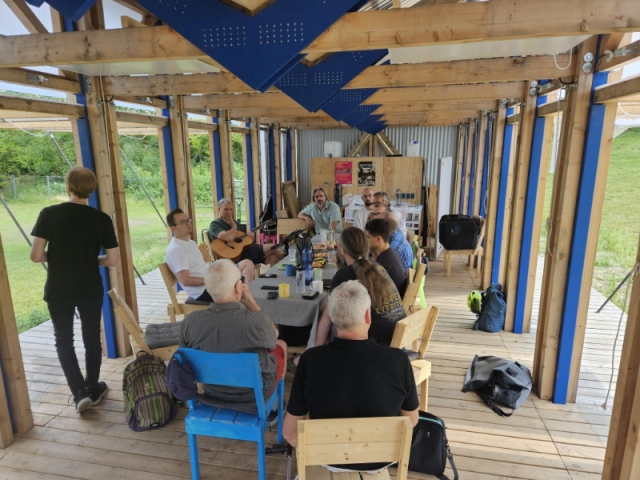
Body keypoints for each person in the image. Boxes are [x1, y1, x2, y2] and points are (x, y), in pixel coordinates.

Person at [283, 281, 419, 474]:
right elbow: (411, 421)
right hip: (380, 459)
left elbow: (290, 434)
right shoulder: (398, 360)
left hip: (328, 459)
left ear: (332, 317)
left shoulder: (310, 361)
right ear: (368, 315)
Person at [30, 167, 120, 413]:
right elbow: (112, 260)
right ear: (91, 189)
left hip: (59, 288)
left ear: (68, 186)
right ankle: (93, 387)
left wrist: (58, 257)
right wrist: (89, 259)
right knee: (92, 338)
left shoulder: (49, 213)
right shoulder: (101, 219)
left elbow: (36, 255)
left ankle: (79, 393)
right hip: (89, 287)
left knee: (63, 340)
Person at [180, 259, 287, 425]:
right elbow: (274, 337)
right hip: (254, 394)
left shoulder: (190, 322)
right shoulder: (255, 321)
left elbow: (184, 357)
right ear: (238, 287)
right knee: (281, 346)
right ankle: (273, 407)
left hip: (212, 390)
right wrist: (251, 302)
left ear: (208, 288)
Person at [315, 227, 406, 347]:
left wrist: (316, 349)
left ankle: (318, 352)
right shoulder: (379, 267)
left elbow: (329, 314)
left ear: (342, 251)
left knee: (331, 316)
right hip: (397, 335)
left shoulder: (343, 276)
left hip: (374, 343)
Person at [166, 208, 255, 303]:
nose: (188, 223)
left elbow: (201, 267)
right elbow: (186, 281)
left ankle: (247, 299)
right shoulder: (177, 250)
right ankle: (245, 302)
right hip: (204, 290)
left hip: (212, 278)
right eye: (182, 222)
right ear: (173, 228)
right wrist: (212, 280)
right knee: (240, 286)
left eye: (188, 219)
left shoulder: (190, 242)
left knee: (247, 264)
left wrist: (218, 275)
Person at [209, 198, 285, 267]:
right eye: (226, 209)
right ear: (219, 209)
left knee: (273, 258)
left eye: (231, 209)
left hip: (244, 252)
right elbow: (229, 237)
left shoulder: (233, 221)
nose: (229, 212)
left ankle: (275, 277)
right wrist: (234, 226)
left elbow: (242, 240)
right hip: (234, 257)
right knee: (274, 247)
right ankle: (289, 265)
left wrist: (251, 237)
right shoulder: (215, 224)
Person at [365, 218, 408, 297]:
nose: (365, 240)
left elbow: (369, 289)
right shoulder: (391, 253)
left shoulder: (383, 263)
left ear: (378, 239)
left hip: (388, 302)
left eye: (368, 237)